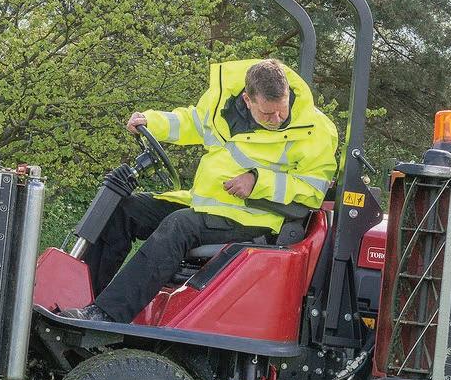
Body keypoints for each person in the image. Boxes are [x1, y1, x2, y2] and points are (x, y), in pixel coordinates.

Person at [66, 58, 340, 324]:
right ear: (247, 99)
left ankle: (107, 315)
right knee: (125, 210)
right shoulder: (223, 105)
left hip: (254, 216)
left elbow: (312, 190)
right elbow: (192, 122)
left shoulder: (317, 130)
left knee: (179, 225)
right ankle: (81, 301)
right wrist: (152, 122)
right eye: (268, 114)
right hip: (209, 204)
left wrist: (257, 182)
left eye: (282, 110)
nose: (277, 119)